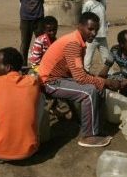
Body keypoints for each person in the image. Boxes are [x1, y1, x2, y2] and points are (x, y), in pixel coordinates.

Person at [38, 12, 121, 147]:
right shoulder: (73, 43)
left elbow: (79, 72)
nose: (93, 33)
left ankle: (96, 128)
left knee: (98, 87)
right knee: (89, 92)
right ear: (79, 26)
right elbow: (81, 78)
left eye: (96, 29)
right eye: (90, 29)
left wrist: (99, 81)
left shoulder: (79, 41)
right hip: (49, 82)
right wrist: (106, 81)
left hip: (62, 77)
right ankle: (88, 136)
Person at [0, 47, 40, 161]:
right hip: (30, 151)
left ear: (7, 67)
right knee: (39, 97)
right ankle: (32, 136)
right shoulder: (32, 82)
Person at [17, 0, 47, 66]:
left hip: (39, 18)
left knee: (42, 43)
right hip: (25, 19)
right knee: (25, 44)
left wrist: (37, 10)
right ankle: (23, 66)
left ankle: (43, 66)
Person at [82, 0, 109, 72]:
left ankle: (110, 76)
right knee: (87, 60)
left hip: (102, 35)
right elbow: (84, 20)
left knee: (107, 59)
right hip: (91, 37)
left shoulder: (104, 2)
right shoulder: (88, 4)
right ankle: (84, 76)